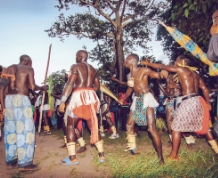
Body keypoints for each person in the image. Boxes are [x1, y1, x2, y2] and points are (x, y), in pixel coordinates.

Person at [141, 55, 218, 160]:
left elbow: (162, 66)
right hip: (199, 101)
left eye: (176, 60)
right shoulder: (195, 74)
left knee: (175, 127)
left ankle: (174, 155)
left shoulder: (181, 70)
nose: (175, 62)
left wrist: (148, 64)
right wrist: (208, 103)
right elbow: (204, 88)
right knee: (205, 128)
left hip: (189, 101)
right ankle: (216, 150)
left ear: (181, 62)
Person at [58, 50, 105, 165]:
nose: (75, 57)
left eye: (76, 55)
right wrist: (88, 93)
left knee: (70, 126)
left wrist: (63, 101)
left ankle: (72, 158)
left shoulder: (75, 67)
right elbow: (97, 86)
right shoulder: (93, 69)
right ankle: (102, 155)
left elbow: (69, 84)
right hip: (91, 98)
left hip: (78, 98)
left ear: (79, 56)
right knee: (93, 125)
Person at [118, 54, 164, 164]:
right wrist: (123, 99)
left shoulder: (143, 70)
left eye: (127, 58)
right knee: (129, 125)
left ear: (132, 61)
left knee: (152, 129)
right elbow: (130, 90)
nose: (125, 60)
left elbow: (153, 74)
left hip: (147, 99)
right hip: (137, 100)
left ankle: (161, 158)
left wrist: (160, 74)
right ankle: (134, 150)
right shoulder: (130, 75)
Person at [3, 55, 46, 171]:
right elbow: (32, 86)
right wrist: (42, 87)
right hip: (21, 99)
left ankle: (10, 161)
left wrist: (3, 106)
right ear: (28, 62)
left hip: (8, 100)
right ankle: (25, 163)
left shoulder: (10, 68)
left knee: (10, 131)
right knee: (26, 131)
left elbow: (1, 87)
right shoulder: (28, 69)